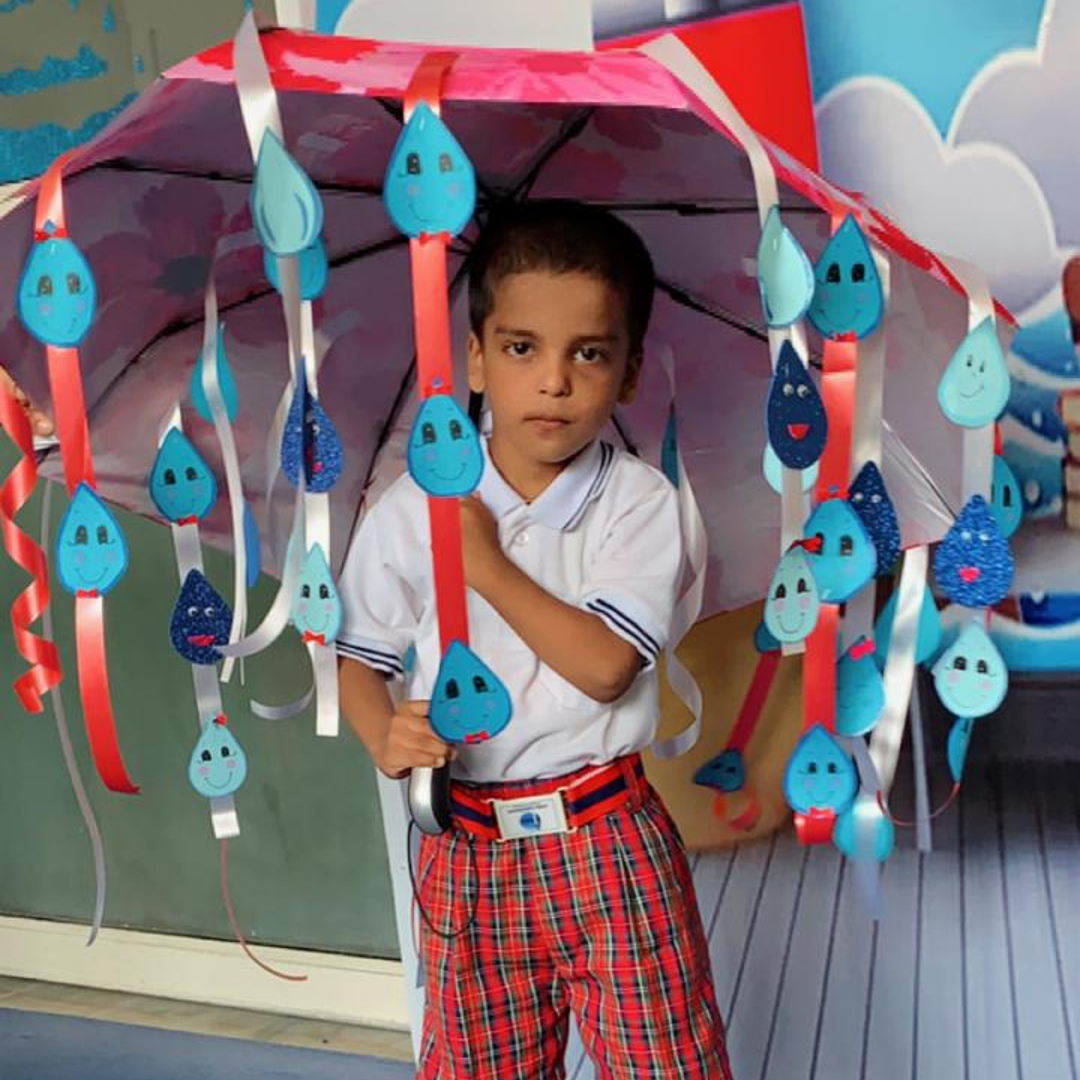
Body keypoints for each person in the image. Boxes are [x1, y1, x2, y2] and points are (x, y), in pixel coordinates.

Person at [338, 201, 731, 1080]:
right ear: (476, 358)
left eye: (588, 353)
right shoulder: (415, 504)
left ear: (628, 374)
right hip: (466, 849)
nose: (553, 381)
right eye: (522, 348)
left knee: (668, 1066)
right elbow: (357, 656)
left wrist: (481, 564)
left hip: (607, 843)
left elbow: (605, 666)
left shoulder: (640, 504)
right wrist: (382, 734)